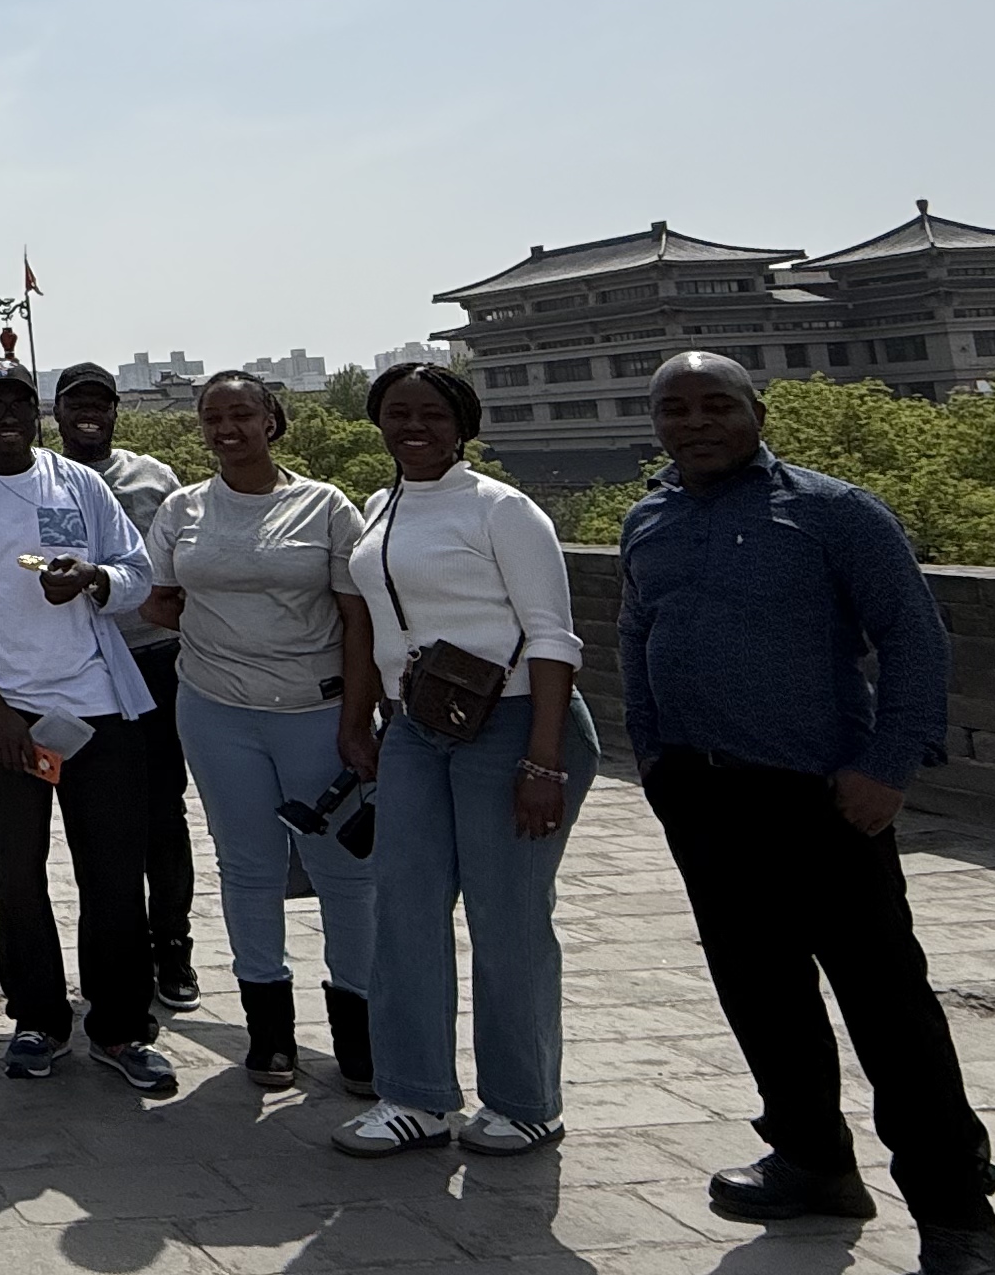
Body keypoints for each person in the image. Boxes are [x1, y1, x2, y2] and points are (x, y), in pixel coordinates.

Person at [625, 353, 995, 1275]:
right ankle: (812, 1160)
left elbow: (914, 636)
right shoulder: (650, 519)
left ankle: (956, 1213)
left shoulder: (834, 511)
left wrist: (890, 763)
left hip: (822, 796)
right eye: (675, 408)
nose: (696, 422)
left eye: (716, 405)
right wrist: (653, 755)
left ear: (757, 412)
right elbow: (635, 635)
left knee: (887, 1004)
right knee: (759, 989)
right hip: (702, 791)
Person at [331, 361, 593, 1159]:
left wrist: (543, 761)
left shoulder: (502, 510)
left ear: (463, 425)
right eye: (397, 413)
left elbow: (552, 637)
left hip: (513, 722)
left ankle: (525, 1101)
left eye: (433, 414)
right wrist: (363, 717)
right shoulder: (381, 505)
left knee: (506, 915)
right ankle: (414, 1096)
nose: (414, 428)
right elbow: (375, 624)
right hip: (419, 727)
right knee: (403, 909)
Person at [0, 359, 177, 1091]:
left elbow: (137, 573)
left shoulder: (79, 485)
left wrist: (93, 579)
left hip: (97, 709)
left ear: (38, 414)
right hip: (9, 716)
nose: (8, 416)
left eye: (20, 403)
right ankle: (38, 1020)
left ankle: (120, 1027)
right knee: (17, 872)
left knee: (113, 873)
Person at [140, 371, 370, 1093]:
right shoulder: (183, 508)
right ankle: (269, 1032)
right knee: (248, 867)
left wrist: (359, 720)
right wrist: (227, 637)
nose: (227, 429)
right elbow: (158, 601)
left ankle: (360, 1032)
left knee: (343, 871)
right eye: (213, 417)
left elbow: (358, 619)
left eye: (241, 414)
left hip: (315, 711)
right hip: (216, 710)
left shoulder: (324, 506)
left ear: (271, 420)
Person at [51, 360, 202, 1013]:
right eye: (76, 403)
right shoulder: (40, 482)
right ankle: (118, 949)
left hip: (152, 660)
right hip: (73, 672)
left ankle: (173, 943)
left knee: (163, 811)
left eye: (101, 403)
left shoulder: (154, 478)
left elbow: (182, 562)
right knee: (91, 817)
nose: (90, 413)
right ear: (56, 414)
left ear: (116, 410)